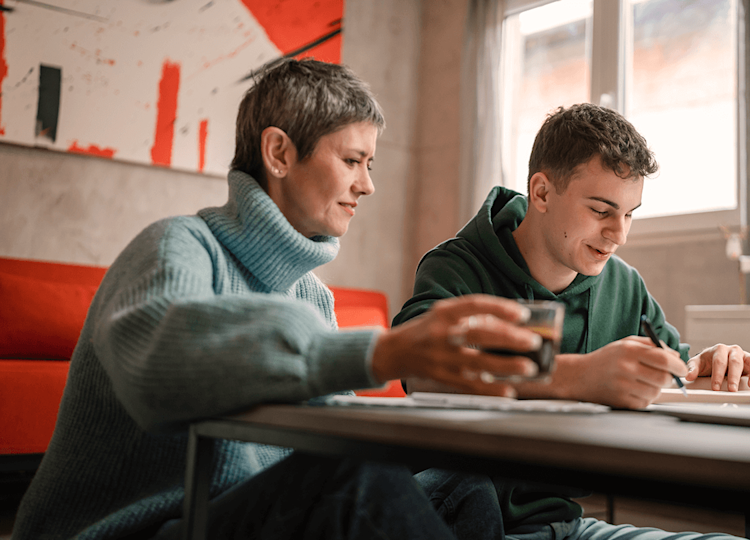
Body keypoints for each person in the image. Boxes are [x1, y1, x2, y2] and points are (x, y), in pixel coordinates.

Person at [11, 59, 543, 540]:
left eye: (370, 165)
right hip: (140, 530)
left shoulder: (311, 294)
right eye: (353, 160)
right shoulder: (175, 247)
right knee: (354, 481)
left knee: (465, 484)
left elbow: (333, 432)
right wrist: (384, 352)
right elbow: (161, 369)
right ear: (279, 153)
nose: (367, 185)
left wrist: (451, 421)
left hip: (252, 517)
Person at [393, 103, 750, 539]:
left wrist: (711, 365)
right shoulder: (457, 266)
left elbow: (675, 374)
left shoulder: (624, 285)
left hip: (563, 527)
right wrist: (574, 376)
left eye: (629, 213)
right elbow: (416, 367)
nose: (620, 234)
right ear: (541, 193)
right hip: (460, 518)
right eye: (601, 211)